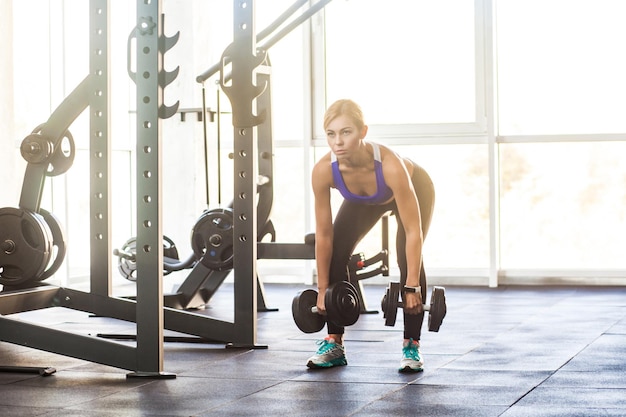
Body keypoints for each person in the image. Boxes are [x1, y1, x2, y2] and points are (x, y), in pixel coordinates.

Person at [307, 99, 435, 372]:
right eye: (331, 134)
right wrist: (322, 291)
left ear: (363, 131)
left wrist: (411, 287)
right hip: (364, 198)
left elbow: (414, 231)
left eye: (346, 132)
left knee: (407, 256)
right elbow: (324, 236)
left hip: (412, 188)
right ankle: (334, 342)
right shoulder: (323, 171)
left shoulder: (390, 165)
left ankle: (411, 344)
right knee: (337, 253)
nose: (337, 142)